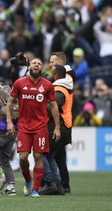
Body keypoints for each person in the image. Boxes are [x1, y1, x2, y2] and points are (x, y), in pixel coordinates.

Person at [6, 57, 61, 198]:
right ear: (29, 67)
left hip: (40, 127)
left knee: (38, 156)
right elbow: (10, 102)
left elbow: (54, 106)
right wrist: (9, 122)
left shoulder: (48, 85)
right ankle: (28, 179)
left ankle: (35, 189)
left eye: (39, 63)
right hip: (24, 126)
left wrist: (57, 127)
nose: (36, 65)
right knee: (23, 158)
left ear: (42, 68)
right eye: (34, 63)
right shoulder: (19, 83)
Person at [40, 64, 73, 195]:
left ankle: (50, 183)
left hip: (59, 126)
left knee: (39, 152)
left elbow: (51, 107)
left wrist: (37, 104)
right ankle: (58, 185)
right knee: (49, 155)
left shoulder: (60, 90)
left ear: (57, 75)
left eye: (52, 73)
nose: (50, 75)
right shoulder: (64, 87)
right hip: (64, 126)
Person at [49, 51, 75, 193]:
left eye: (52, 62)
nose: (49, 65)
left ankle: (58, 183)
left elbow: (55, 103)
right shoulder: (68, 78)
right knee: (59, 155)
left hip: (62, 122)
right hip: (65, 121)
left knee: (49, 154)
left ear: (58, 64)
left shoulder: (64, 81)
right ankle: (63, 184)